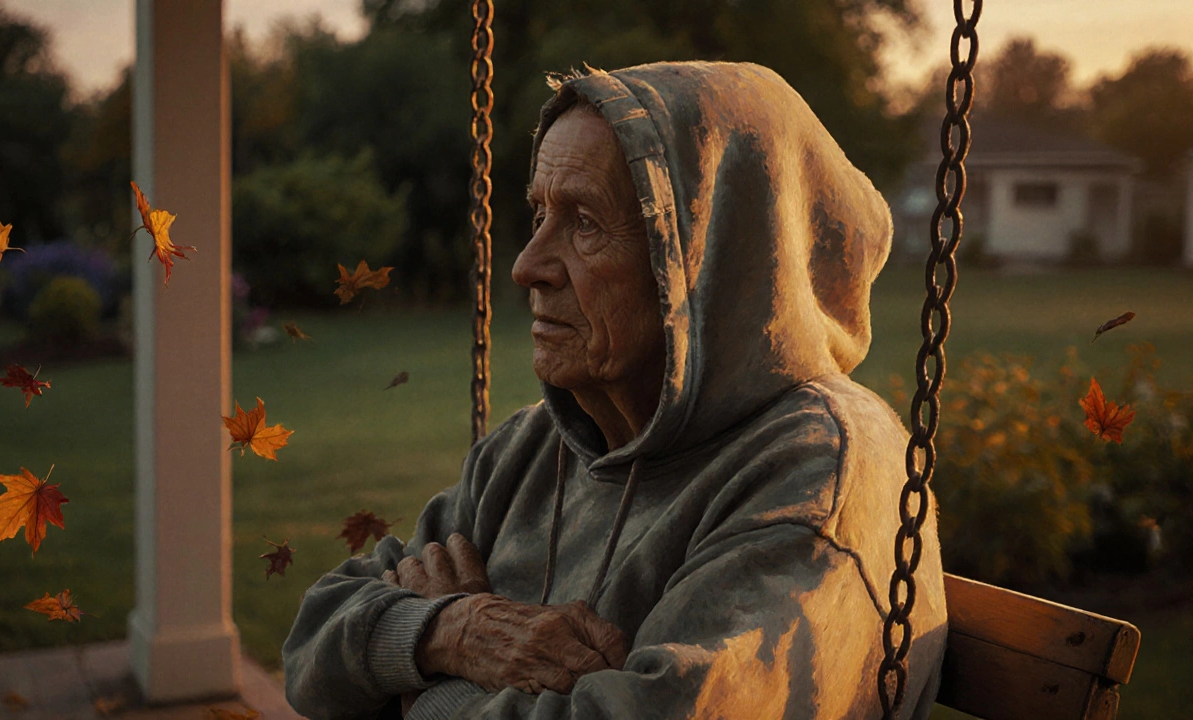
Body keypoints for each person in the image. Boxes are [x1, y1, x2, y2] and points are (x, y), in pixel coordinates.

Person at [283, 61, 947, 720]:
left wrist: (418, 688)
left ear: (705, 258)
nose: (528, 266)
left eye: (584, 223)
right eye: (539, 214)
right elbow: (310, 646)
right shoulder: (531, 449)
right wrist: (447, 632)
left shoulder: (816, 471)